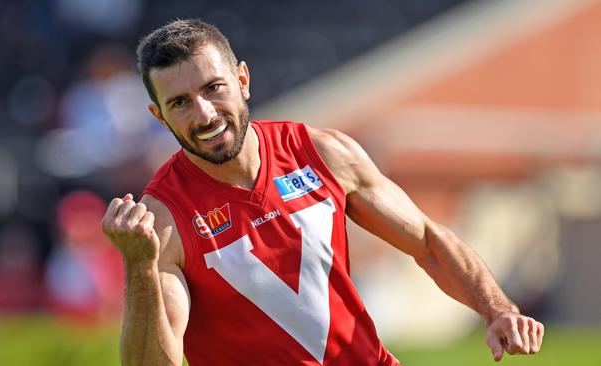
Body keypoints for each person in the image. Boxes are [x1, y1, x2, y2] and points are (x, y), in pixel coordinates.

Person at [101, 19, 544, 365]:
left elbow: (428, 241)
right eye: (179, 103)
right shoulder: (165, 218)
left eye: (213, 88)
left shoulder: (320, 152)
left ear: (242, 80)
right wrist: (140, 268)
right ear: (159, 118)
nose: (204, 114)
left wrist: (496, 309)